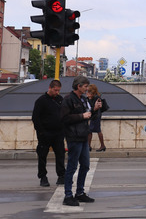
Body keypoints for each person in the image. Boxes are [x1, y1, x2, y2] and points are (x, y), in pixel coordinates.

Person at [60, 75, 102, 207]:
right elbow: (64, 118)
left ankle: (80, 193)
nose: (86, 89)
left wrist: (94, 110)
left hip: (83, 136)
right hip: (74, 137)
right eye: (85, 87)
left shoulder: (83, 99)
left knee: (85, 165)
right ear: (78, 86)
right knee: (72, 167)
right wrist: (81, 116)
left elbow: (88, 115)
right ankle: (68, 195)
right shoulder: (68, 99)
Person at [32, 79, 65, 187]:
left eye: (58, 91)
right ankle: (43, 177)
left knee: (60, 154)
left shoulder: (60, 99)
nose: (57, 93)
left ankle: (61, 176)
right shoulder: (41, 101)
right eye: (55, 90)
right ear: (50, 88)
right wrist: (41, 132)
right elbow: (35, 118)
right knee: (42, 156)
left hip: (58, 133)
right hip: (45, 134)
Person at [86, 84, 108, 151]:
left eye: (88, 92)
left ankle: (102, 145)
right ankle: (89, 146)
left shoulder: (97, 98)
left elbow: (95, 108)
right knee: (91, 131)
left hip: (96, 116)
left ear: (92, 92)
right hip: (94, 116)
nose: (86, 93)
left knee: (96, 130)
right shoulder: (93, 98)